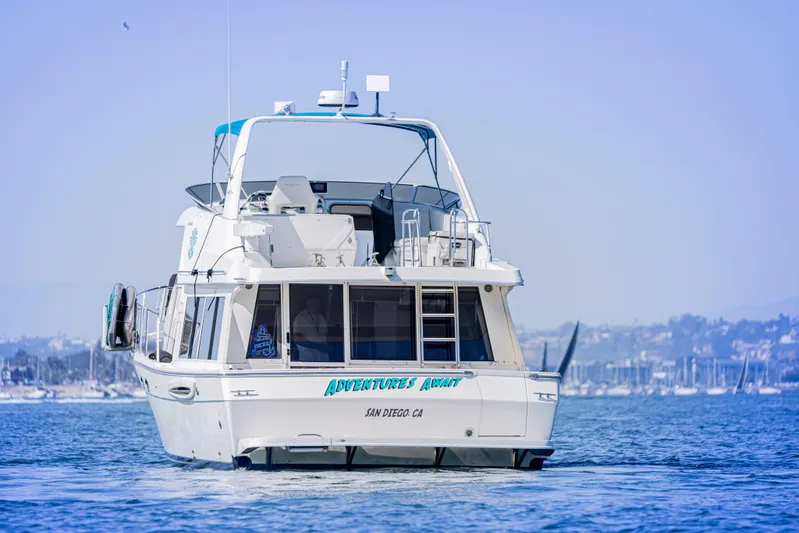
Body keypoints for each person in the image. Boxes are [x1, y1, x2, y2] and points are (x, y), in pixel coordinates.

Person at [293, 296, 329, 361]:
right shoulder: (301, 317)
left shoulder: (320, 316)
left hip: (322, 353)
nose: (316, 305)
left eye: (318, 303)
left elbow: (324, 333)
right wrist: (318, 347)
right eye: (314, 303)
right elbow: (298, 339)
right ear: (308, 304)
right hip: (308, 354)